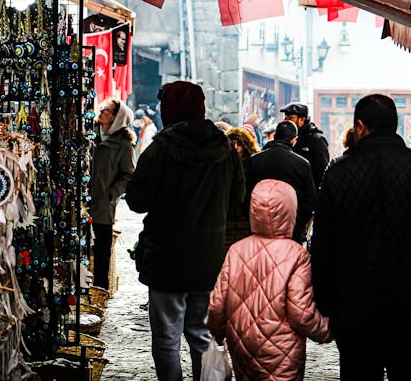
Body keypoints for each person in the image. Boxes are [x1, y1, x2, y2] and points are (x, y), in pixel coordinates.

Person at [311, 93, 411, 381]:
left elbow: (322, 247)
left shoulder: (338, 175)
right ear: (394, 125)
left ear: (359, 126)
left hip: (355, 310)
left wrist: (326, 302)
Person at [125, 80, 245, 381]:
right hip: (208, 258)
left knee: (166, 339)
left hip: (167, 258)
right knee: (202, 335)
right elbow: (239, 196)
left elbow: (137, 201)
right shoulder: (225, 149)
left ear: (170, 109)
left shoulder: (161, 149)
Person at [207, 178, 331, 381]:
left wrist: (217, 332)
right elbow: (301, 312)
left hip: (242, 346)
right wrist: (325, 329)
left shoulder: (237, 250)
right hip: (282, 351)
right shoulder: (295, 255)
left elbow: (217, 304)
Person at [245, 120, 316, 244]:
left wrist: (253, 221)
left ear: (275, 136)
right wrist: (296, 225)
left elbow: (245, 196)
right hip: (290, 231)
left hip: (259, 228)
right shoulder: (302, 164)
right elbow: (309, 201)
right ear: (294, 140)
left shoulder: (254, 161)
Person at [90, 98, 135, 290]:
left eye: (107, 111)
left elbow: (128, 176)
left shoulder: (123, 145)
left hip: (103, 207)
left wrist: (110, 194)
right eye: (102, 109)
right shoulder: (91, 135)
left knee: (101, 253)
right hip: (81, 204)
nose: (101, 112)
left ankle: (100, 292)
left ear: (117, 118)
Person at [225, 127, 260, 250]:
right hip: (227, 220)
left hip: (246, 220)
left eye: (239, 144)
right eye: (232, 143)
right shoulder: (222, 168)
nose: (235, 148)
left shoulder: (253, 166)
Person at [280, 102, 329, 189]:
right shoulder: (287, 139)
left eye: (290, 117)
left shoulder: (317, 140)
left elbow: (322, 173)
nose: (286, 121)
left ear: (302, 120)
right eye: (285, 117)